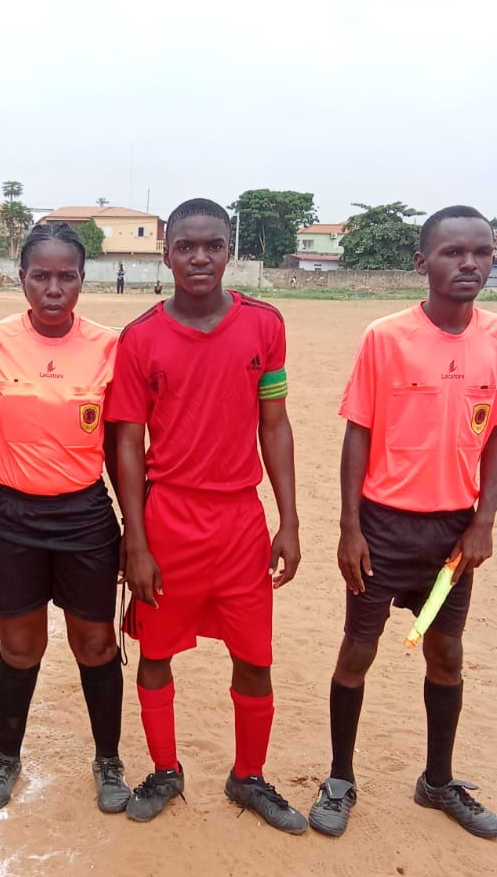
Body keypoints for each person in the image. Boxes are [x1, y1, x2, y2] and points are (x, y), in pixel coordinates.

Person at [108, 197, 306, 831]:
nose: (200, 257)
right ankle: (165, 769)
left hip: (240, 523)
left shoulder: (264, 326)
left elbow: (275, 424)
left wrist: (288, 520)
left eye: (212, 245)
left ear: (229, 251)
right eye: (186, 246)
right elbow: (127, 442)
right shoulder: (139, 339)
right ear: (166, 253)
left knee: (254, 659)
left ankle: (248, 776)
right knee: (156, 653)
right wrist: (136, 539)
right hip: (169, 520)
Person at [309, 206, 497, 840]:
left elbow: (494, 437)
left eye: (482, 252)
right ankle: (340, 778)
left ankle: (437, 781)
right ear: (423, 263)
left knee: (446, 652)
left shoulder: (494, 339)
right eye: (453, 252)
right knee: (358, 650)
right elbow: (358, 433)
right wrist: (351, 527)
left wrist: (482, 521)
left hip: (452, 537)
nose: (469, 263)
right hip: (384, 530)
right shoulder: (386, 337)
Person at [0, 222, 129, 813]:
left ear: (84, 280)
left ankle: (108, 758)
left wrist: (135, 531)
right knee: (20, 646)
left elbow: (121, 446)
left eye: (67, 276)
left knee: (96, 643)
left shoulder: (110, 346)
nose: (54, 288)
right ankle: (6, 757)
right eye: (41, 276)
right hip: (12, 515)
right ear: (22, 279)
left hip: (84, 514)